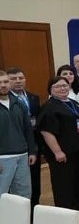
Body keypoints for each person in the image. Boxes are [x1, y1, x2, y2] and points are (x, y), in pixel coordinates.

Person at [38, 77, 79, 218]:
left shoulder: (73, 103)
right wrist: (57, 151)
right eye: (57, 86)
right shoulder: (49, 107)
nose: (62, 88)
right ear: (50, 90)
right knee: (64, 183)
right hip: (62, 152)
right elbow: (46, 131)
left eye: (65, 85)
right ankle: (65, 213)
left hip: (78, 150)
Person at [0, 70, 37, 202]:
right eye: (0, 82)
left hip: (22, 155)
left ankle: (21, 217)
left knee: (24, 195)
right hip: (3, 158)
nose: (3, 85)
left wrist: (32, 151)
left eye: (5, 81)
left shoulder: (19, 102)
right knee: (2, 195)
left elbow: (28, 129)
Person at [7, 68, 42, 205]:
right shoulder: (7, 100)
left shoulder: (33, 98)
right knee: (15, 183)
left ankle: (33, 208)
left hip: (33, 144)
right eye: (13, 79)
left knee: (34, 180)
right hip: (14, 145)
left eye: (21, 78)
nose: (18, 81)